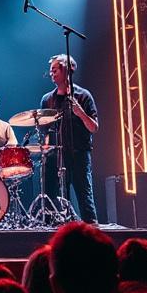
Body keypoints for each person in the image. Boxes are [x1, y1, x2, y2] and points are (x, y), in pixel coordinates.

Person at [39, 54, 99, 223]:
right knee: (53, 197)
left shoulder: (84, 96)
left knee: (85, 196)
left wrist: (80, 113)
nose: (51, 74)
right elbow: (45, 131)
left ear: (66, 70)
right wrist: (45, 148)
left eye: (55, 70)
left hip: (79, 154)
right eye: (50, 71)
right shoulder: (47, 100)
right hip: (56, 156)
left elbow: (94, 127)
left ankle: (91, 232)